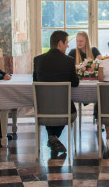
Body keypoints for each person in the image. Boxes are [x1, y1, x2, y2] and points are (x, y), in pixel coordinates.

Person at [33, 30, 80, 158]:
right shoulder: (68, 61)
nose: (68, 46)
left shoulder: (37, 60)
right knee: (68, 111)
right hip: (65, 112)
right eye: (66, 43)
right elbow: (75, 83)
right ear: (60, 43)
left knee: (50, 108)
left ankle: (52, 137)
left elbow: (35, 82)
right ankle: (53, 137)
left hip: (42, 112)